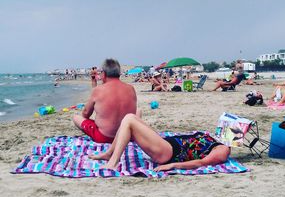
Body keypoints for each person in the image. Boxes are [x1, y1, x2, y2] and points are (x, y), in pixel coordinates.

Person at [89, 114, 230, 171]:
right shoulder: (214, 139)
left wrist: (173, 165)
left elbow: (201, 163)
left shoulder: (223, 150)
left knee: (129, 121)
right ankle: (109, 153)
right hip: (165, 144)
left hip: (167, 153)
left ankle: (113, 162)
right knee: (130, 116)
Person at [73, 59, 138, 143]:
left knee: (76, 117)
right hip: (127, 136)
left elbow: (85, 114)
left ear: (104, 73)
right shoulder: (131, 88)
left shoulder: (98, 90)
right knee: (138, 111)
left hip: (104, 137)